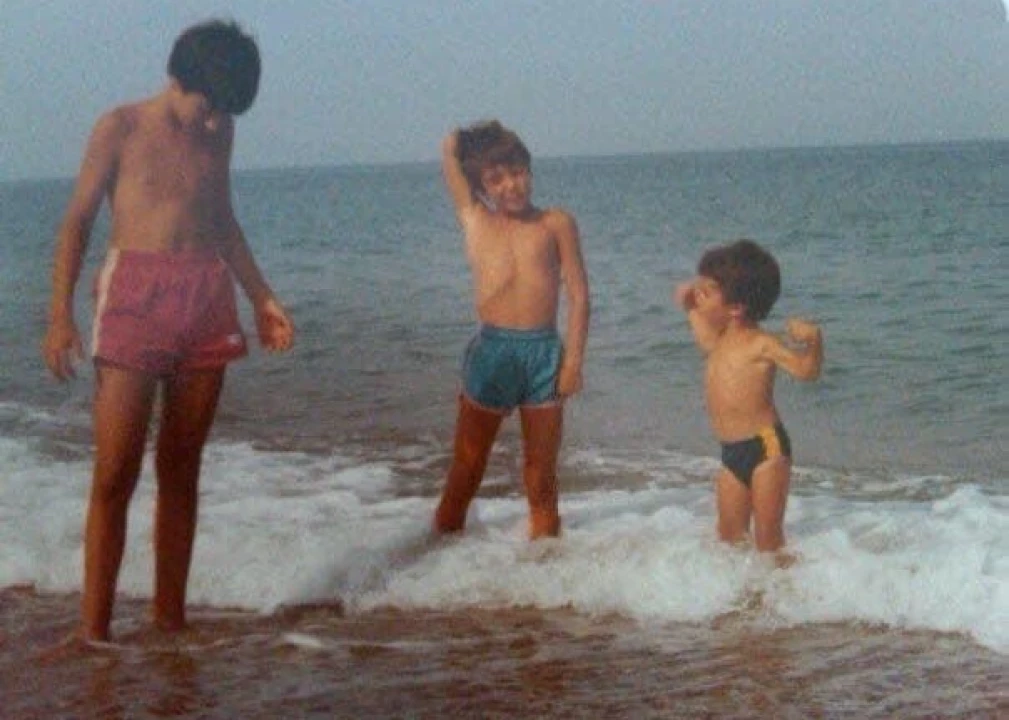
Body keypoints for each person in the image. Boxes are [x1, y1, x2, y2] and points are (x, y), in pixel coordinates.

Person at [41, 20, 295, 642]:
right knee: (116, 471)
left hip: (206, 293)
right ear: (181, 77)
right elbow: (77, 221)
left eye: (226, 111)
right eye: (210, 105)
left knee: (182, 468)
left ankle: (170, 621)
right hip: (134, 297)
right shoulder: (120, 127)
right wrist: (59, 314)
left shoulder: (220, 130)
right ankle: (94, 634)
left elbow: (224, 219)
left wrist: (262, 297)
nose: (215, 121)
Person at [433, 120, 590, 539]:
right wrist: (478, 139)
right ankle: (435, 557)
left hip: (543, 355)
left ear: (529, 169)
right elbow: (448, 149)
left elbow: (579, 296)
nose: (511, 185)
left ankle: (544, 565)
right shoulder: (475, 218)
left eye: (518, 172)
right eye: (496, 179)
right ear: (481, 186)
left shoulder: (556, 223)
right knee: (467, 467)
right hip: (492, 352)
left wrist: (573, 362)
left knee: (542, 474)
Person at [673, 240, 822, 554]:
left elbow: (806, 371)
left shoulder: (761, 344)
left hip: (766, 448)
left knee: (769, 540)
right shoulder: (716, 341)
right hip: (731, 453)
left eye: (708, 292)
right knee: (729, 539)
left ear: (736, 308)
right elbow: (691, 308)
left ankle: (788, 585)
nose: (700, 294)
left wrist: (814, 341)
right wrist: (691, 299)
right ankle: (743, 587)